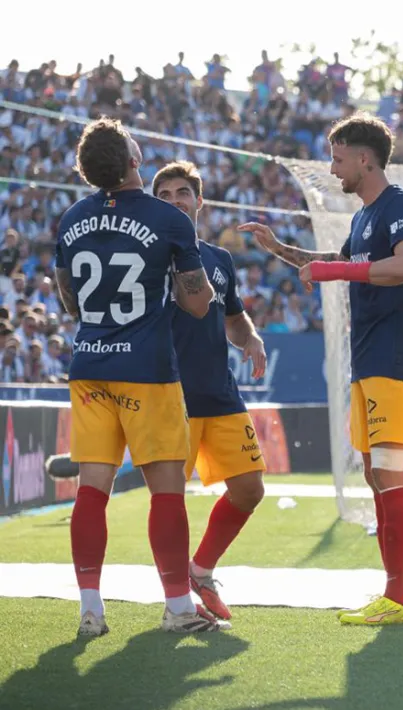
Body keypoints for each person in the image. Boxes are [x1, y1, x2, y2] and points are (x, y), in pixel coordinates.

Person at [242, 113, 403, 626]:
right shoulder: (364, 217)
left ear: (365, 159)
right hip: (368, 360)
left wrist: (338, 270)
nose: (333, 167)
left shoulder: (401, 206)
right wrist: (280, 249)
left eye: (338, 158)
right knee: (374, 473)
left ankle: (397, 596)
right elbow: (333, 260)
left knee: (389, 472)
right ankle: (393, 592)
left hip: (395, 357)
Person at [54, 118, 221, 635]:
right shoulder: (170, 219)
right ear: (132, 161)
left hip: (89, 367)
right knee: (167, 492)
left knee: (91, 490)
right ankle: (177, 607)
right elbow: (196, 305)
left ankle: (89, 609)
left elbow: (69, 300)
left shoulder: (71, 217)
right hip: (146, 370)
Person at [154, 161, 269, 622]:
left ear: (199, 202)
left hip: (221, 394)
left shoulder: (219, 260)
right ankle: (177, 601)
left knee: (249, 489)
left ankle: (200, 571)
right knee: (169, 502)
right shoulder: (147, 257)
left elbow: (234, 317)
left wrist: (252, 338)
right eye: (164, 194)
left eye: (183, 192)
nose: (176, 200)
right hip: (168, 395)